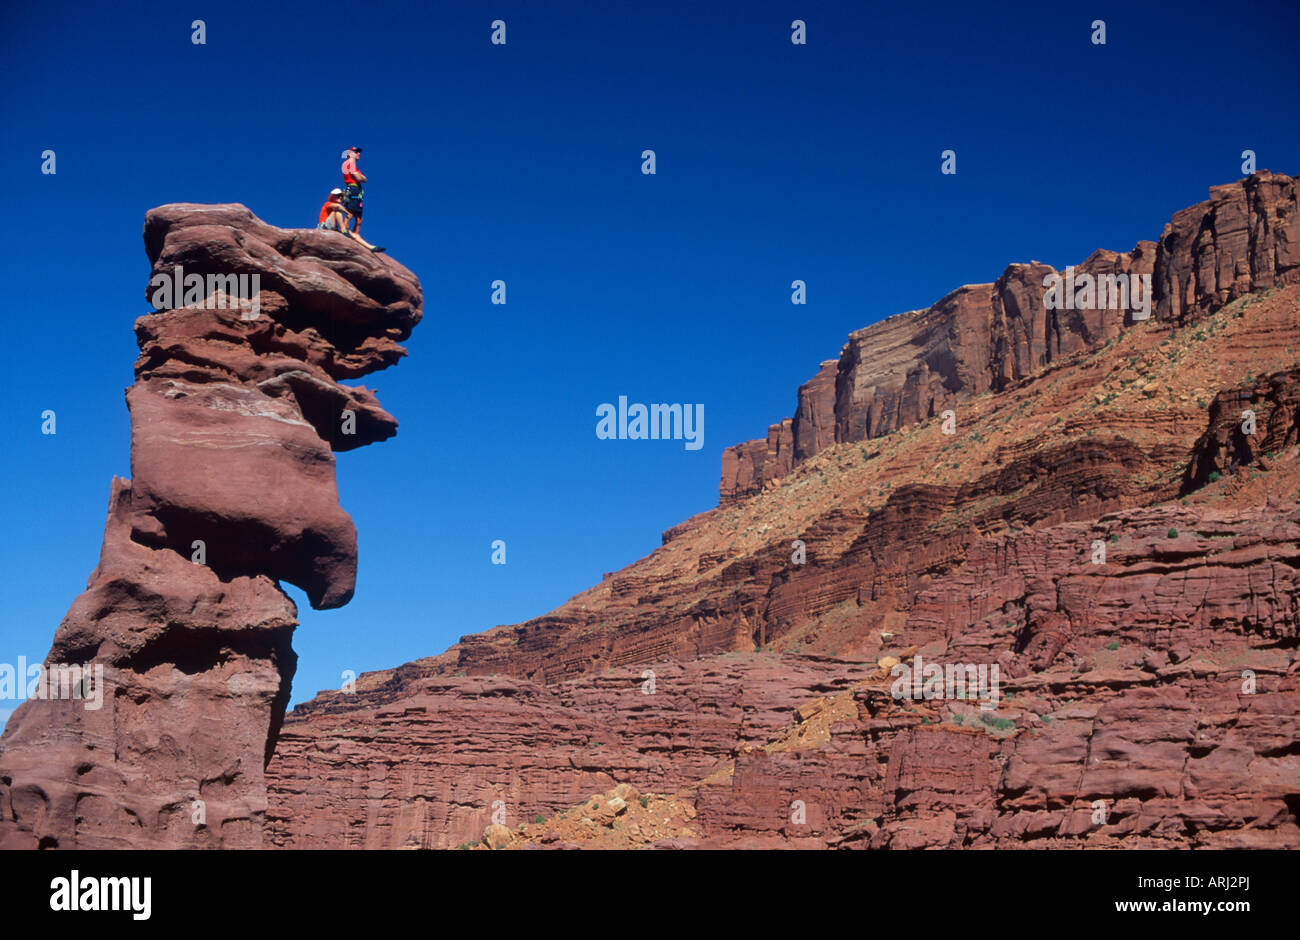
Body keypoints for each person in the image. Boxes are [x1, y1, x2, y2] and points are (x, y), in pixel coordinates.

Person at [318, 189, 385, 252]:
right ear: (332, 197)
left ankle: (371, 247)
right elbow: (338, 207)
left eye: (341, 196)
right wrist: (347, 212)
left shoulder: (336, 207)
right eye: (338, 196)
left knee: (353, 234)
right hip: (324, 227)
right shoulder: (328, 203)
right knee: (337, 211)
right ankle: (344, 230)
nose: (341, 197)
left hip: (333, 228)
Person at [340, 147, 367, 235]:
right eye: (356, 152)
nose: (358, 154)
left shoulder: (353, 165)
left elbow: (364, 179)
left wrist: (362, 178)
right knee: (350, 212)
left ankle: (355, 235)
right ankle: (344, 231)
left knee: (359, 219)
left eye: (359, 152)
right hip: (353, 189)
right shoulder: (348, 163)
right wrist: (361, 177)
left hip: (357, 191)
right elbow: (359, 178)